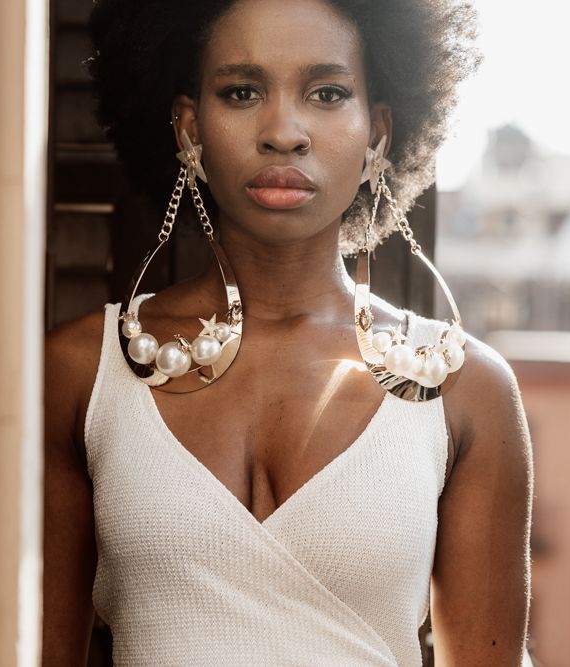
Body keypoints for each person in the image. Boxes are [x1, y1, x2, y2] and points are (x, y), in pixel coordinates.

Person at [43, 0, 534, 664]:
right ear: (188, 128)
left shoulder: (466, 390)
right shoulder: (81, 371)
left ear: (379, 133)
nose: (284, 131)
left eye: (327, 93)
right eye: (241, 91)